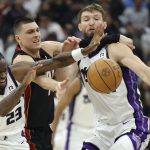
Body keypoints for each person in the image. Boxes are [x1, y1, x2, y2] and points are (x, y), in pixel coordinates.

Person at [11, 16, 109, 150]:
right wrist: (56, 85)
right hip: (26, 131)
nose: (36, 35)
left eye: (37, 30)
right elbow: (41, 80)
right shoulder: (20, 60)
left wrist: (105, 40)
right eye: (30, 32)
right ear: (18, 38)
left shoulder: (46, 47)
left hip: (44, 128)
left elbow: (79, 47)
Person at [71, 3, 150, 150]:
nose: (92, 22)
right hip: (102, 129)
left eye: (96, 18)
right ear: (80, 26)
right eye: (86, 19)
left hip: (130, 125)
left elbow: (145, 73)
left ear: (105, 24)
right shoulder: (78, 55)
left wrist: (114, 38)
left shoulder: (115, 48)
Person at [0, 52, 40, 150]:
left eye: (4, 70)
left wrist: (79, 53)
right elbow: (2, 110)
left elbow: (52, 62)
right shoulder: (21, 83)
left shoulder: (15, 73)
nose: (3, 75)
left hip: (18, 140)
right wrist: (25, 83)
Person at [52, 77, 96, 150]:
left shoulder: (103, 83)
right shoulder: (78, 83)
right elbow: (58, 109)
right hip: (76, 133)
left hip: (96, 132)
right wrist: (52, 136)